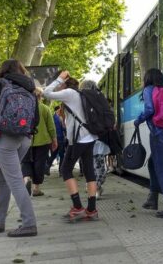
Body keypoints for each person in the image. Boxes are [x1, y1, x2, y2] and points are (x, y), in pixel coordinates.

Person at [0, 59, 38, 237]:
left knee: (15, 181)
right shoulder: (29, 86)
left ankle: (29, 223)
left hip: (6, 139)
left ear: (3, 71)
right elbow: (36, 116)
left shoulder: (0, 83)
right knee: (5, 177)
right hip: (25, 138)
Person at [43, 71, 99, 221]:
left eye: (60, 84)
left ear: (65, 84)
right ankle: (92, 209)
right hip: (90, 137)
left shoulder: (69, 93)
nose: (58, 87)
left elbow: (46, 93)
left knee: (66, 169)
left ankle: (78, 207)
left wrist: (59, 79)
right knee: (89, 171)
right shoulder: (79, 94)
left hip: (79, 139)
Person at [134, 68, 163, 219]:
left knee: (161, 170)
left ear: (148, 78)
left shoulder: (149, 89)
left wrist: (138, 120)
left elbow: (149, 109)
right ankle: (152, 199)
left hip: (159, 134)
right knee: (152, 164)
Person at [22, 88, 57, 197]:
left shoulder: (23, 108)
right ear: (40, 96)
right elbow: (51, 127)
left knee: (26, 162)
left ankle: (26, 179)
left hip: (25, 140)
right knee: (39, 164)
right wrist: (54, 140)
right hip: (43, 141)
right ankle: (36, 188)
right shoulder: (45, 108)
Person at [46, 105, 67, 177]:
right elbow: (63, 129)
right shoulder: (59, 118)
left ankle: (47, 168)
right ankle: (60, 171)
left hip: (55, 138)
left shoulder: (53, 117)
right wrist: (63, 124)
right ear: (58, 110)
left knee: (54, 155)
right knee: (61, 155)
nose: (61, 111)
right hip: (60, 138)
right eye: (60, 110)